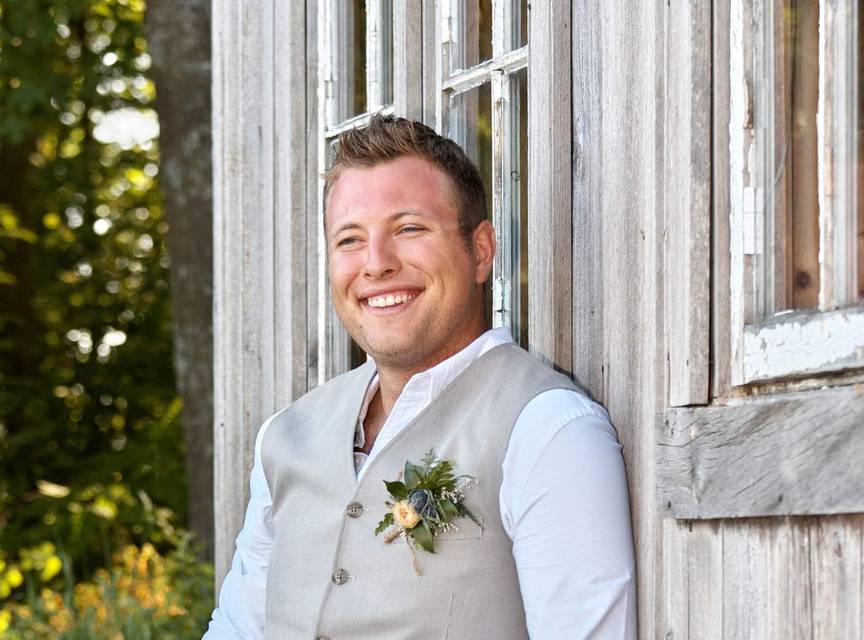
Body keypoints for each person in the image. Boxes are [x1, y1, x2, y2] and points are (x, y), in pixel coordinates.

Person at [203, 115, 636, 639]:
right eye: (350, 240)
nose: (376, 264)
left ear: (479, 251)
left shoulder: (549, 429)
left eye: (408, 229)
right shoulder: (286, 435)